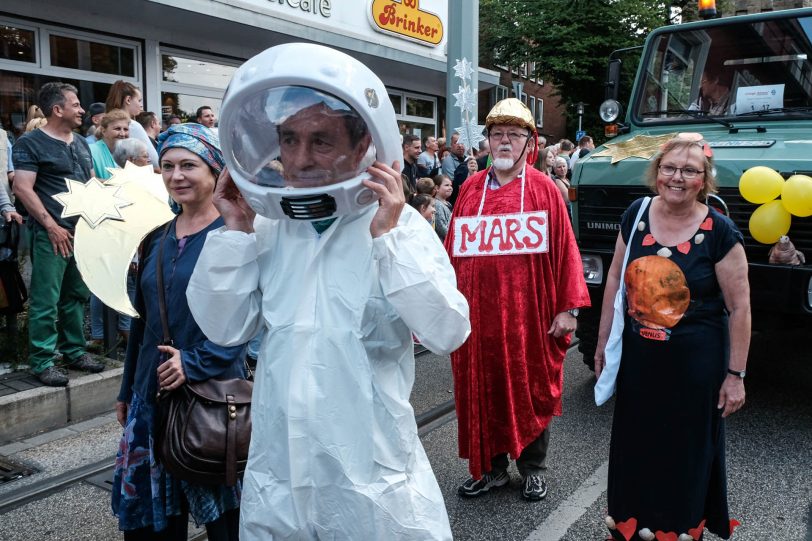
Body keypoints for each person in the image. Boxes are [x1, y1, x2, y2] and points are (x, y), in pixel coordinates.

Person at [186, 42, 470, 540]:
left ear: (364, 146)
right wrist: (233, 231)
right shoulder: (267, 227)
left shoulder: (394, 227)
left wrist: (391, 239)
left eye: (321, 141)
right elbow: (223, 328)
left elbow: (448, 330)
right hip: (282, 472)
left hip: (372, 471)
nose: (300, 158)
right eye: (289, 139)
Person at [595, 135, 749, 541]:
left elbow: (740, 309)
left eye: (689, 171)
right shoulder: (636, 213)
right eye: (669, 168)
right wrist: (602, 342)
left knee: (685, 449)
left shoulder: (721, 232)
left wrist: (736, 375)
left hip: (696, 366)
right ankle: (630, 524)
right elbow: (614, 277)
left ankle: (677, 529)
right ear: (656, 172)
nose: (676, 177)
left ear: (704, 180)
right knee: (636, 443)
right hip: (640, 360)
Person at [445, 98, 590, 501]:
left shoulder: (544, 189)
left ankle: (532, 469)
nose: (504, 142)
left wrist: (568, 307)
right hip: (477, 318)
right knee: (482, 390)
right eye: (497, 134)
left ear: (530, 142)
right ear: (487, 140)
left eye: (514, 134)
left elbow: (566, 250)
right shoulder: (470, 189)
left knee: (530, 389)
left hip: (530, 317)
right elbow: (451, 250)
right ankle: (490, 469)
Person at [112, 123, 244, 541]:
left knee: (226, 524)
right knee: (152, 526)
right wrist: (127, 389)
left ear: (215, 171)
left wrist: (195, 362)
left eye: (189, 165)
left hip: (212, 398)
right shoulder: (155, 237)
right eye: (167, 166)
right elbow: (141, 318)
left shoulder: (235, 234)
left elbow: (245, 319)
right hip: (151, 397)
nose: (176, 176)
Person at [12, 82, 104, 386]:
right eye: (75, 104)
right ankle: (42, 361)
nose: (81, 110)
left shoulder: (80, 142)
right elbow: (22, 187)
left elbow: (90, 183)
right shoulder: (30, 143)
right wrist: (51, 226)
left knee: (75, 296)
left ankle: (75, 352)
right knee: (45, 299)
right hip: (51, 235)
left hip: (82, 234)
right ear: (57, 109)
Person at [106, 80, 160, 168]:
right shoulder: (133, 125)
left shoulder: (105, 124)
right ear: (128, 100)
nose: (141, 105)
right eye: (139, 100)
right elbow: (154, 161)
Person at [88, 109, 130, 180]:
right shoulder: (90, 151)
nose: (122, 134)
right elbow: (89, 181)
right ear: (104, 131)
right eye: (117, 129)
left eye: (125, 129)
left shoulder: (130, 153)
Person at [433, 173, 453, 241]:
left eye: (451, 185)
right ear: (437, 188)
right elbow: (442, 228)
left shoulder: (448, 204)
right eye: (447, 185)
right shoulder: (437, 204)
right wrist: (454, 237)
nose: (450, 188)